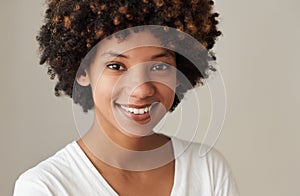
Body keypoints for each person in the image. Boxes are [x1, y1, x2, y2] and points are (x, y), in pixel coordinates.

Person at [14, 0, 239, 195]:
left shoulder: (207, 170)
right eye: (116, 66)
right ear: (82, 72)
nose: (141, 90)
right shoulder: (45, 188)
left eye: (159, 66)